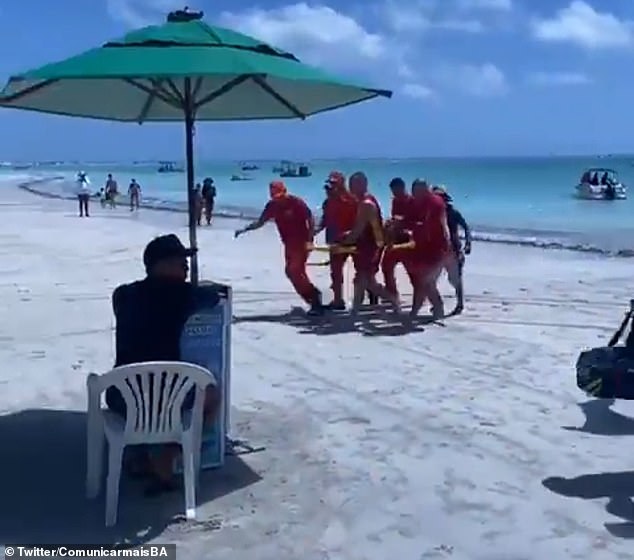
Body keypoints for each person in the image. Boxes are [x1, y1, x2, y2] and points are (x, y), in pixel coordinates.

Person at [108, 234, 221, 493]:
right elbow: (213, 297)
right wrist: (195, 288)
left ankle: (142, 456)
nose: (186, 265)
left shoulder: (122, 295)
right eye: (181, 261)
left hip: (121, 396)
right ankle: (167, 455)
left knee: (146, 399)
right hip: (167, 398)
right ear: (163, 264)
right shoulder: (184, 296)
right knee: (212, 394)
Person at [234, 181, 324, 315]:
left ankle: (315, 298)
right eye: (274, 196)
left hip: (301, 242)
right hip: (288, 243)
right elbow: (260, 222)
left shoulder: (296, 202)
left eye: (280, 195)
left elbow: (310, 219)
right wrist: (245, 229)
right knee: (293, 273)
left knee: (294, 270)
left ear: (285, 191)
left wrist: (310, 239)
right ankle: (312, 298)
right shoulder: (272, 206)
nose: (278, 199)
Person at [340, 172, 399, 314]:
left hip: (370, 247)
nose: (350, 188)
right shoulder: (364, 201)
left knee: (366, 280)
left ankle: (393, 300)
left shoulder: (366, 204)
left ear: (362, 185)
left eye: (353, 185)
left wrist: (345, 242)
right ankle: (356, 308)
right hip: (367, 244)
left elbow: (361, 230)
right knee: (362, 279)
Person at [315, 171, 358, 310]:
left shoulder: (352, 201)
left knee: (363, 271)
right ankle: (338, 300)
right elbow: (324, 221)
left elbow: (361, 220)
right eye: (328, 186)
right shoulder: (327, 203)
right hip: (335, 241)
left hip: (353, 240)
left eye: (333, 185)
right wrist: (314, 231)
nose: (329, 189)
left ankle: (370, 297)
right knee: (336, 272)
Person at [409, 179, 450, 319]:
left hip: (437, 248)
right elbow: (413, 219)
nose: (413, 195)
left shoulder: (435, 203)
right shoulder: (418, 202)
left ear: (424, 190)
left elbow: (431, 227)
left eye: (416, 192)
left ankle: (436, 307)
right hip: (423, 247)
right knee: (422, 280)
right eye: (413, 192)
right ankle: (419, 309)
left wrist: (413, 228)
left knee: (426, 281)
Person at [432, 185, 471, 314]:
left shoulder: (452, 212)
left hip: (453, 250)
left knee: (454, 279)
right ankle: (436, 303)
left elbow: (466, 227)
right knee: (430, 278)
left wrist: (468, 243)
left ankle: (460, 303)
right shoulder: (432, 212)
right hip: (437, 250)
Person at [381, 177, 417, 300]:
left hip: (408, 238)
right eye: (393, 192)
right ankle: (392, 293)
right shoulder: (395, 201)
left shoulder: (412, 201)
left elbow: (414, 221)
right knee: (386, 266)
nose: (395, 194)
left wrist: (401, 221)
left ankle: (420, 293)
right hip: (396, 237)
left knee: (411, 270)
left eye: (396, 191)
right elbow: (395, 217)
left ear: (402, 188)